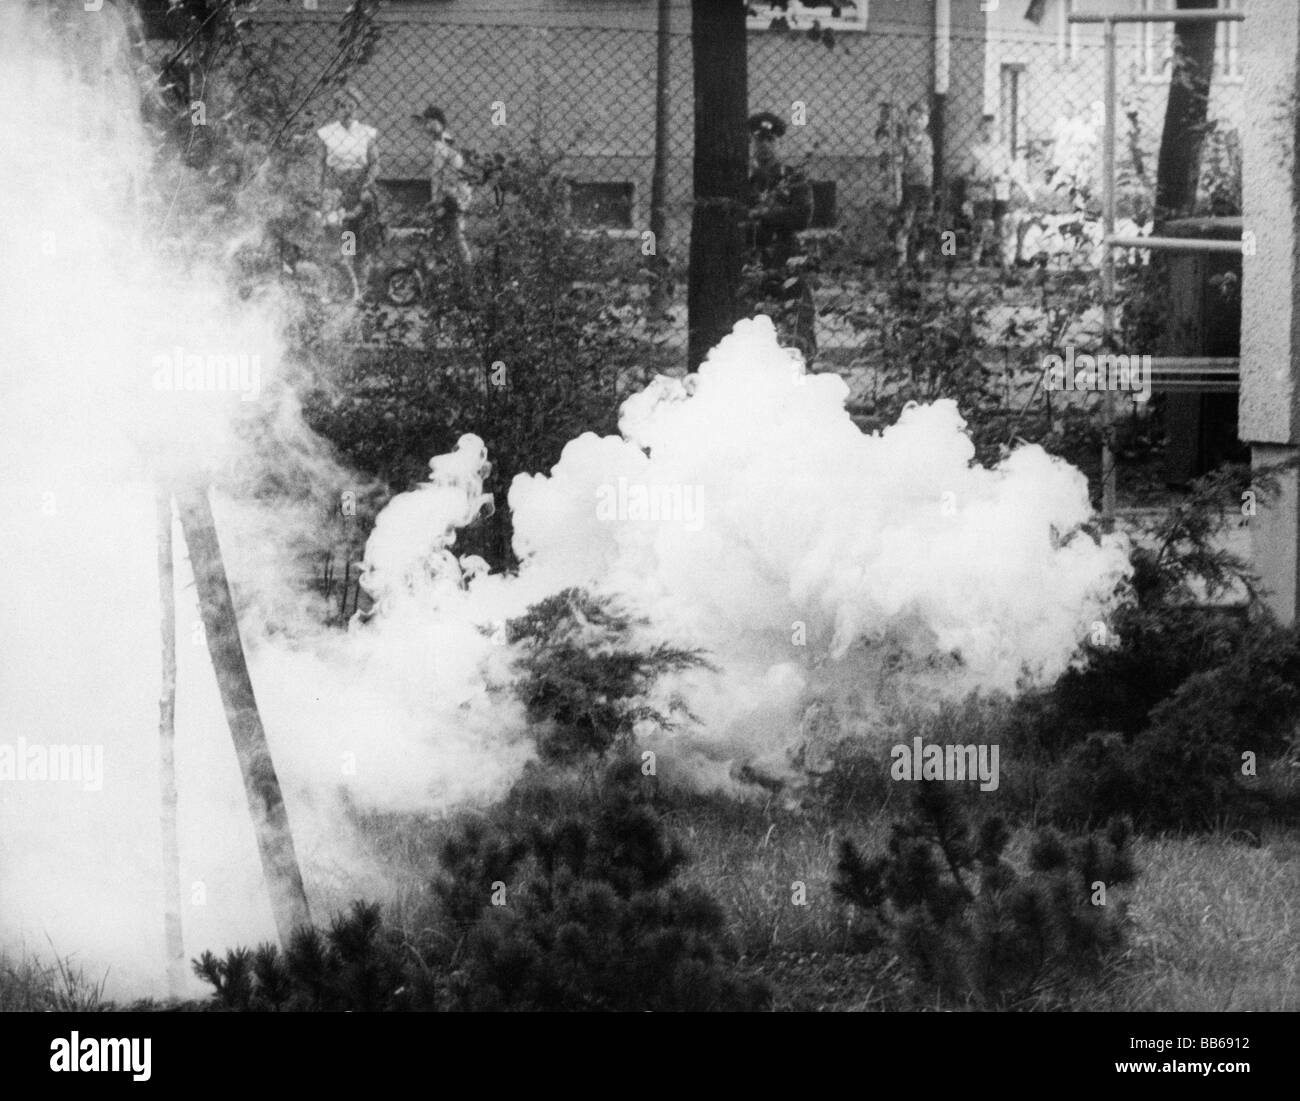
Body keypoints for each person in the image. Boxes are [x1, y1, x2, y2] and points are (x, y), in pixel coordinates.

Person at [747, 110, 816, 357]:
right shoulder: (748, 184)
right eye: (759, 140)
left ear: (780, 144)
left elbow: (802, 215)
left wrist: (764, 215)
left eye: (770, 140)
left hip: (787, 257)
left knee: (797, 323)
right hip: (755, 262)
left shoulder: (793, 177)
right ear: (752, 144)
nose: (764, 146)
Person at [317, 89, 382, 299]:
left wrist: (366, 185)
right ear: (336, 109)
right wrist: (322, 192)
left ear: (357, 108)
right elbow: (320, 165)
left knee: (353, 241)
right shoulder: (327, 133)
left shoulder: (366, 133)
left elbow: (374, 164)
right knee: (332, 240)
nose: (347, 111)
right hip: (335, 191)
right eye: (342, 106)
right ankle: (333, 287)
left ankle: (356, 289)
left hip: (357, 190)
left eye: (351, 106)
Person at [413, 104, 474, 266]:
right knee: (449, 234)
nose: (427, 127)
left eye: (430, 122)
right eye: (425, 123)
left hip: (451, 198)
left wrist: (436, 200)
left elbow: (437, 175)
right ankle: (449, 269)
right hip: (457, 195)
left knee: (452, 235)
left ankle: (466, 272)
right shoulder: (449, 141)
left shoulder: (441, 145)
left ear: (439, 122)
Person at [962, 115, 1013, 269]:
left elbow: (1010, 173)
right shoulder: (974, 151)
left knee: (1001, 225)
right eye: (984, 128)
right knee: (981, 226)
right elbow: (965, 174)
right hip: (982, 193)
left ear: (997, 130)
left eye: (991, 128)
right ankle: (975, 260)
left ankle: (1003, 260)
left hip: (1000, 193)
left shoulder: (1003, 150)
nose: (988, 132)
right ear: (979, 131)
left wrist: (1001, 177)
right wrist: (979, 180)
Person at [896, 101, 934, 271]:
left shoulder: (927, 140)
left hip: (925, 187)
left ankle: (919, 259)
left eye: (923, 117)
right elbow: (898, 166)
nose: (920, 121)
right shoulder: (903, 140)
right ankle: (901, 260)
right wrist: (898, 188)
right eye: (916, 117)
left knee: (923, 224)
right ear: (909, 119)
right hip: (909, 186)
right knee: (906, 223)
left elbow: (929, 163)